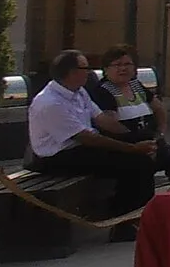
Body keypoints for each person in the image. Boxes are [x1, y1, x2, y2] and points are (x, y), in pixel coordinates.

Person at [29, 50, 157, 235]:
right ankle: (124, 224)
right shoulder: (50, 103)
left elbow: (102, 119)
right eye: (85, 68)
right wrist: (132, 148)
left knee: (143, 144)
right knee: (136, 162)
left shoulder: (79, 91)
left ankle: (145, 215)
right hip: (58, 156)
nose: (89, 72)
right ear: (72, 72)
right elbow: (87, 138)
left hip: (82, 147)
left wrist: (134, 138)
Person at [85, 45, 170, 185]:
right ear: (106, 69)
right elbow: (110, 125)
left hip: (151, 143)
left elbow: (159, 108)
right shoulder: (103, 91)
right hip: (126, 147)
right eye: (117, 65)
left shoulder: (136, 85)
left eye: (127, 64)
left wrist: (161, 132)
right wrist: (138, 142)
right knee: (143, 165)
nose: (123, 68)